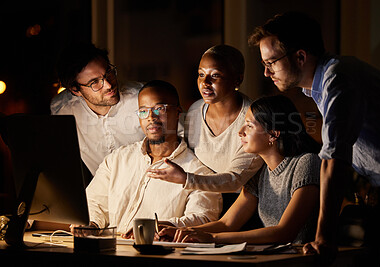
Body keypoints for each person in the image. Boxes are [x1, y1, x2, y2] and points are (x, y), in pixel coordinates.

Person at [248, 12, 380, 266]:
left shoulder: (338, 79)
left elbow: (334, 159)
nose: (265, 72)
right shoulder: (319, 87)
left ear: (300, 56)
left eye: (271, 62)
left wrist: (323, 237)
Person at [158, 95, 321, 245]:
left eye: (249, 126)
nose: (240, 132)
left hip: (303, 258)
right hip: (272, 256)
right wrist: (179, 232)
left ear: (273, 134)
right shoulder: (260, 171)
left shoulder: (306, 163)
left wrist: (212, 238)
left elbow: (284, 233)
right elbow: (227, 223)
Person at [85, 80, 222, 236]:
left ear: (178, 112)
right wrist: (92, 224)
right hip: (112, 250)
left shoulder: (198, 173)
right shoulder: (117, 160)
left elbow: (203, 217)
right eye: (143, 111)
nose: (151, 117)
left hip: (158, 255)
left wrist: (163, 226)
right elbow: (93, 203)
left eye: (159, 109)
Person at [147, 45, 263, 192]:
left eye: (215, 75)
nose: (205, 83)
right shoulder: (195, 110)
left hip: (239, 203)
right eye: (201, 74)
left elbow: (235, 179)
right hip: (201, 197)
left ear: (237, 79)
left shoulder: (254, 120)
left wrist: (186, 179)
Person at [51, 43, 145, 176]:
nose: (108, 85)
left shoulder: (143, 99)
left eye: (108, 73)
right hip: (102, 193)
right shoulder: (63, 110)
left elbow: (180, 144)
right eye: (94, 82)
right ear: (75, 90)